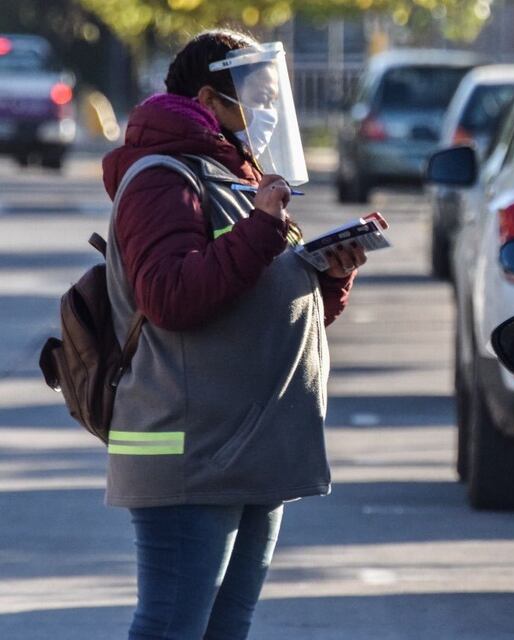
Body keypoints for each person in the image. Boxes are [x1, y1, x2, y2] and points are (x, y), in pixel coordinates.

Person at [100, 30, 364, 639]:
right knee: (173, 625)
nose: (268, 114)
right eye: (257, 99)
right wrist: (266, 229)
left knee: (226, 626)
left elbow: (254, 302)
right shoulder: (162, 177)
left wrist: (329, 279)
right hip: (193, 453)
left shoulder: (236, 176)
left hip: (250, 450)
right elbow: (169, 296)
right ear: (210, 100)